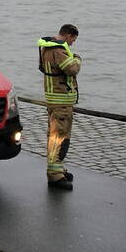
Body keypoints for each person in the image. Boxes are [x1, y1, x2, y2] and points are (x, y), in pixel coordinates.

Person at [38, 24, 81, 190]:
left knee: (54, 134)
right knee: (59, 136)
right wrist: (77, 59)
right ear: (68, 36)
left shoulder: (46, 47)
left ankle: (57, 169)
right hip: (61, 100)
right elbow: (72, 69)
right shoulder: (58, 50)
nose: (72, 44)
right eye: (73, 40)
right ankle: (55, 175)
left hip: (53, 98)